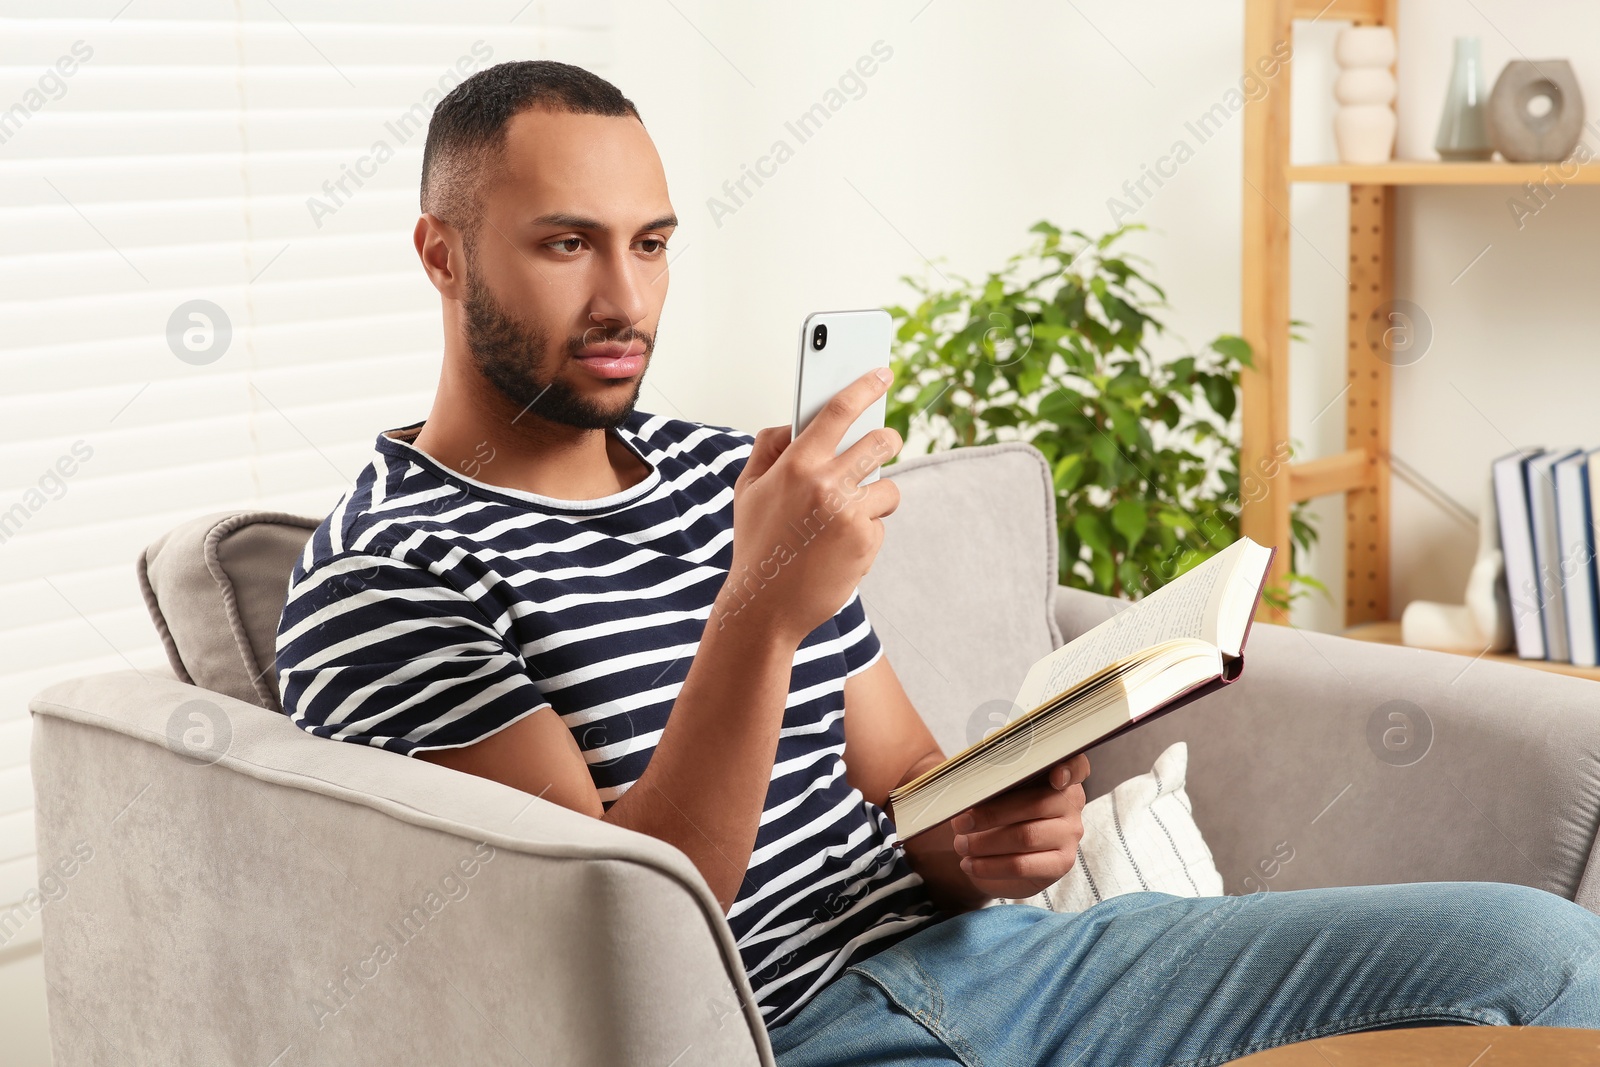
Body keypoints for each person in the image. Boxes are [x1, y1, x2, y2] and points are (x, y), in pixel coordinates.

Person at [273, 59, 1600, 1064]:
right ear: (441, 256)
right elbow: (623, 937)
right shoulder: (386, 577)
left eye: (654, 242)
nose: (626, 300)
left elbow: (905, 781)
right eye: (568, 244)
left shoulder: (713, 469)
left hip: (1022, 959)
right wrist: (758, 613)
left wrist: (983, 837)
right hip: (804, 1038)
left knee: (1541, 955)